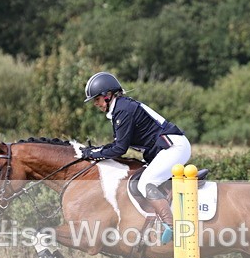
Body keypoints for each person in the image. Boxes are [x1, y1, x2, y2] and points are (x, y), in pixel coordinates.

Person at [81, 71, 191, 243]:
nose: (95, 104)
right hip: (164, 149)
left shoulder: (123, 110)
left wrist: (93, 153)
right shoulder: (120, 108)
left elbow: (119, 149)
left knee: (146, 182)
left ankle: (170, 224)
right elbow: (117, 144)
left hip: (174, 147)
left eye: (97, 99)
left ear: (108, 95)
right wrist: (95, 151)